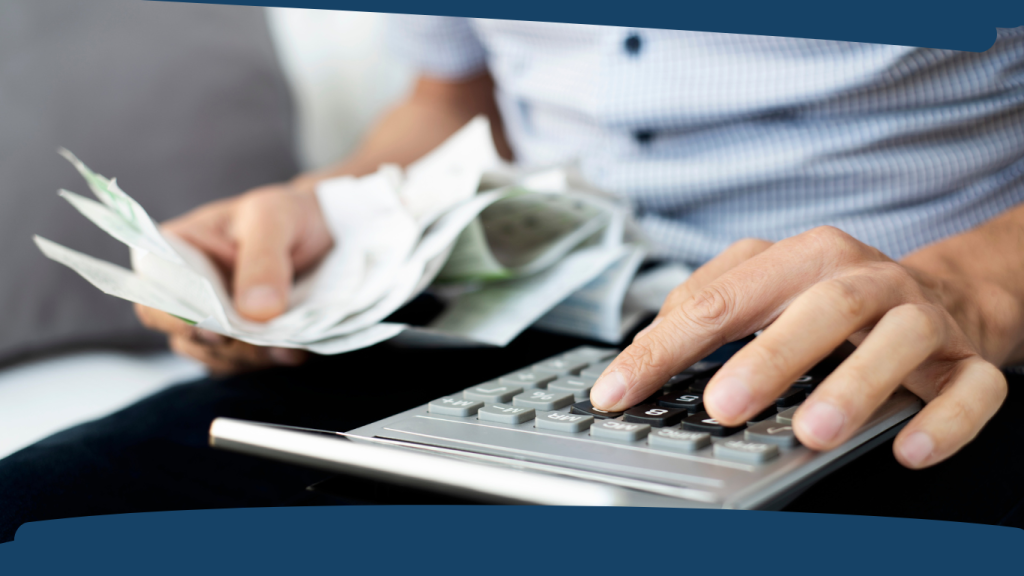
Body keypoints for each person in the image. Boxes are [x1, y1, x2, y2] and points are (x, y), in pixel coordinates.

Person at [3, 16, 1024, 539]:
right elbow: (453, 98)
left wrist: (972, 290)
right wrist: (334, 212)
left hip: (906, 355)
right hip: (521, 326)